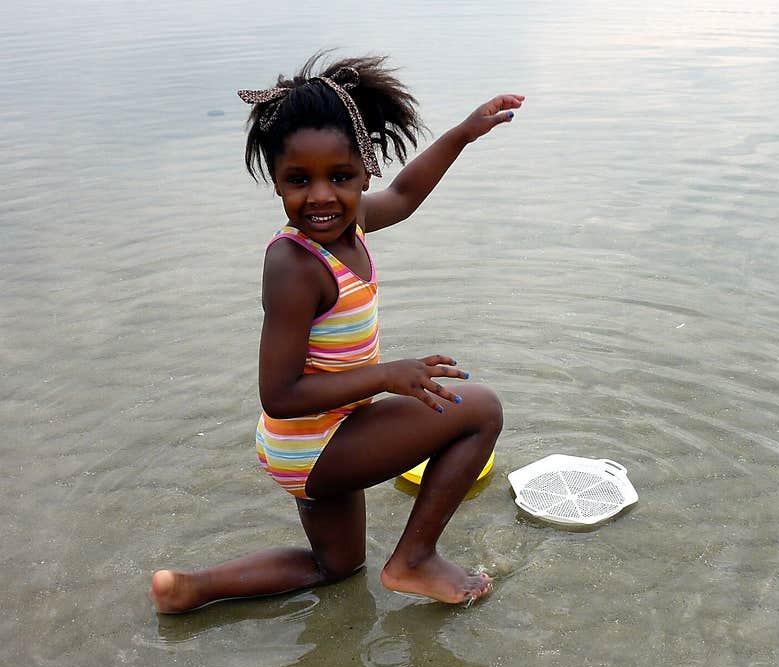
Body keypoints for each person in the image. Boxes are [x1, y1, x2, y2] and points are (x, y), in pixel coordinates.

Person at [150, 53, 524, 613]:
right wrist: (388, 376)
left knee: (338, 567)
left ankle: (189, 589)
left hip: (320, 437)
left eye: (340, 177)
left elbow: (403, 196)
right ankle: (416, 560)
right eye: (299, 181)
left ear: (363, 171)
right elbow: (278, 394)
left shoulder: (351, 222)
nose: (321, 197)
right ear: (275, 181)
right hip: (313, 439)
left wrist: (464, 133)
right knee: (481, 410)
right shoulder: (295, 265)